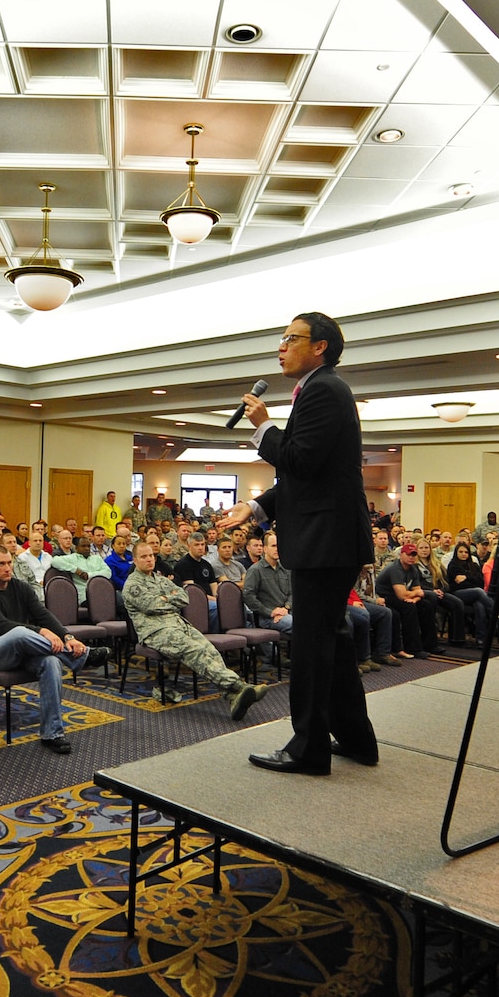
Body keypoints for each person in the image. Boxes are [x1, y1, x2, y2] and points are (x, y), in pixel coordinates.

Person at [219, 312, 376, 775]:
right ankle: (357, 739)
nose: (281, 347)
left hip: (325, 541)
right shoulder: (322, 389)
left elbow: (300, 462)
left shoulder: (324, 390)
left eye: (290, 338)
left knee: (311, 645)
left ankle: (308, 749)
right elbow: (309, 476)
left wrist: (265, 427)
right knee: (333, 642)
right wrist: (257, 507)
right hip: (329, 537)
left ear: (321, 346)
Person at [0, 545, 107, 754]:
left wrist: (67, 636)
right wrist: (42, 632)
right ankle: (82, 657)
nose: (7, 568)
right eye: (1, 564)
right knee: (19, 632)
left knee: (51, 662)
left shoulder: (20, 588)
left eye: (9, 563)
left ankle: (52, 733)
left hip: (23, 651)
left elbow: (43, 614)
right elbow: (4, 627)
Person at [124, 541, 268, 714]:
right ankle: (239, 686)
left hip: (179, 625)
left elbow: (184, 598)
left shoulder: (160, 579)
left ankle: (232, 696)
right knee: (195, 650)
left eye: (151, 556)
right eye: (144, 557)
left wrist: (164, 599)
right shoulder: (132, 585)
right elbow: (151, 606)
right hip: (156, 632)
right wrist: (169, 599)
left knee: (210, 650)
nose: (149, 559)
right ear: (135, 560)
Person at [439, 542, 491, 644]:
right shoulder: (453, 565)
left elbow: (480, 581)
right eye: (461, 552)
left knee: (479, 605)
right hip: (457, 594)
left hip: (475, 594)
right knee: (479, 591)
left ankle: (481, 638)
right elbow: (458, 584)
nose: (464, 554)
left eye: (466, 552)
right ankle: (496, 613)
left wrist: (466, 577)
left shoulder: (475, 565)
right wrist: (472, 580)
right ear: (456, 553)